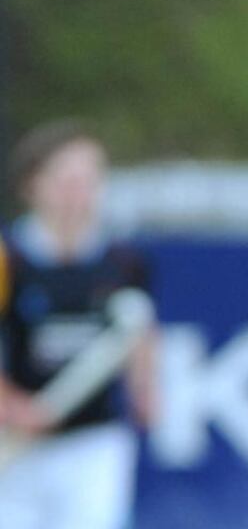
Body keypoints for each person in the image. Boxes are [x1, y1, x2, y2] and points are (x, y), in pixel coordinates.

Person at [0, 119, 157, 529]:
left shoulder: (123, 262)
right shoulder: (9, 260)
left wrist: (145, 386)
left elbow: (139, 329)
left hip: (94, 440)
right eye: (66, 179)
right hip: (16, 447)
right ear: (33, 184)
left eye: (89, 180)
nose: (79, 193)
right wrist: (13, 406)